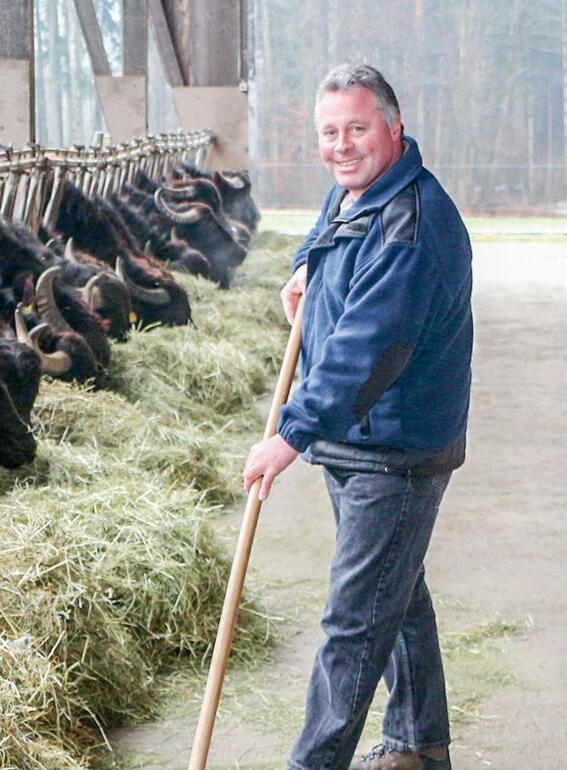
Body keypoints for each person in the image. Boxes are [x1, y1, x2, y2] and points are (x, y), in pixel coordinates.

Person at [242, 64, 473, 770]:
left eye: (356, 129)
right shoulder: (362, 191)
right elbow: (326, 233)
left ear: (392, 130)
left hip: (391, 449)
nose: (340, 145)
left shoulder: (409, 228)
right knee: (394, 598)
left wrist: (289, 432)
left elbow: (366, 354)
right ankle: (417, 744)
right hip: (361, 440)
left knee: (353, 623)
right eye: (329, 132)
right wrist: (304, 268)